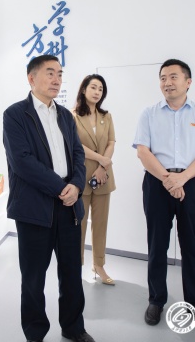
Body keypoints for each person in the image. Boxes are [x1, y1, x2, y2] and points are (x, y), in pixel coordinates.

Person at [3, 55, 95, 342]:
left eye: (60, 74)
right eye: (50, 73)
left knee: (72, 273)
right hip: (34, 208)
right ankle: (35, 334)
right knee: (33, 278)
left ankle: (73, 327)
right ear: (31, 78)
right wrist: (61, 187)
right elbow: (22, 161)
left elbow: (77, 154)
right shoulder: (15, 114)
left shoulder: (65, 115)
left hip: (69, 207)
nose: (57, 79)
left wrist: (76, 186)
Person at [133, 58, 195, 329]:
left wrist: (182, 178)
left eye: (173, 77)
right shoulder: (148, 114)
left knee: (191, 245)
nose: (167, 83)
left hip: (191, 183)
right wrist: (168, 180)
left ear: (188, 82)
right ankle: (156, 299)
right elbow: (143, 152)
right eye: (162, 78)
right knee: (157, 245)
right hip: (157, 183)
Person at [72, 74, 116, 285]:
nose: (97, 92)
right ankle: (76, 265)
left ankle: (99, 265)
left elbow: (111, 142)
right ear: (84, 89)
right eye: (93, 87)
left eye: (101, 89)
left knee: (100, 224)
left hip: (103, 177)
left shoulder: (106, 116)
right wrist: (101, 160)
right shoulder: (72, 116)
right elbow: (75, 146)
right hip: (81, 177)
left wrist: (102, 167)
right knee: (78, 225)